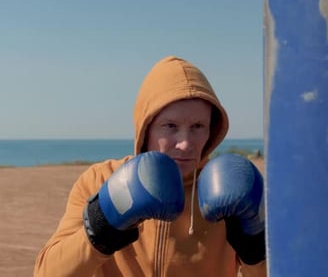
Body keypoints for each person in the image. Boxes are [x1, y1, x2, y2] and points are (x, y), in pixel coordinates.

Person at [34, 56, 267, 276]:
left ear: (211, 130)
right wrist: (101, 227)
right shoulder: (100, 179)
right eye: (170, 126)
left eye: (198, 126)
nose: (186, 144)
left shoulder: (231, 187)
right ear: (146, 129)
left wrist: (255, 249)